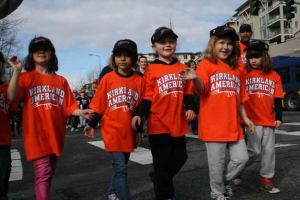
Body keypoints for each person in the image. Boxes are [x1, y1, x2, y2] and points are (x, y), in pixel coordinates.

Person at [7, 36, 93, 200]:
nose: (41, 51)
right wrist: (17, 71)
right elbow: (11, 97)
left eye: (45, 48)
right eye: (36, 48)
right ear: (31, 55)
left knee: (48, 172)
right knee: (44, 173)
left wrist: (81, 112)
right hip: (36, 135)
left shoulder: (61, 81)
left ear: (52, 54)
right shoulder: (26, 77)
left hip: (55, 135)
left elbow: (69, 106)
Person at [179, 25, 254, 200]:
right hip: (214, 126)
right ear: (213, 44)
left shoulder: (238, 69)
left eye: (229, 43)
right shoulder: (206, 64)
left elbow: (241, 98)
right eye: (221, 42)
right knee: (217, 165)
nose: (225, 47)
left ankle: (223, 182)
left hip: (234, 124)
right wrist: (195, 78)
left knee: (242, 159)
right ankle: (217, 193)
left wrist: (247, 119)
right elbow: (202, 90)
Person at [131, 27, 196, 200]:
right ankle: (165, 195)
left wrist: (190, 107)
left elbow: (189, 92)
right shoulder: (151, 70)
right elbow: (147, 96)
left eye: (171, 41)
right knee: (161, 162)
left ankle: (159, 178)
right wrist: (138, 113)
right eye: (162, 42)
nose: (168, 45)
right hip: (158, 123)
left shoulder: (182, 67)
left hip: (178, 122)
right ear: (154, 46)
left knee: (180, 158)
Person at [84, 39, 144, 200]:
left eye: (127, 55)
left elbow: (140, 110)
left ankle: (112, 192)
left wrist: (139, 131)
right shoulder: (108, 79)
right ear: (114, 58)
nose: (122, 59)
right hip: (112, 130)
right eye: (119, 55)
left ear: (133, 58)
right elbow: (99, 105)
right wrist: (91, 124)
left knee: (121, 167)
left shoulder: (139, 80)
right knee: (121, 169)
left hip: (129, 131)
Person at [241, 40, 284, 194]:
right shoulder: (244, 73)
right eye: (250, 57)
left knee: (269, 151)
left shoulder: (274, 76)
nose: (253, 60)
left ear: (264, 57)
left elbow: (278, 98)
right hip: (252, 120)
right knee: (254, 151)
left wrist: (279, 116)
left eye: (257, 57)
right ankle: (237, 168)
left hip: (269, 119)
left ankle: (266, 179)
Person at [0, 51, 13, 200]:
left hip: (3, 140)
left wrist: (16, 70)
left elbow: (12, 98)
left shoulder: (5, 87)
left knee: (4, 173)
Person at [186, 60, 199, 135]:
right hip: (190, 95)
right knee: (193, 112)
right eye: (191, 65)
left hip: (197, 94)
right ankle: (194, 129)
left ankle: (198, 127)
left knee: (199, 112)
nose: (193, 66)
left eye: (194, 64)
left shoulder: (198, 72)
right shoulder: (187, 73)